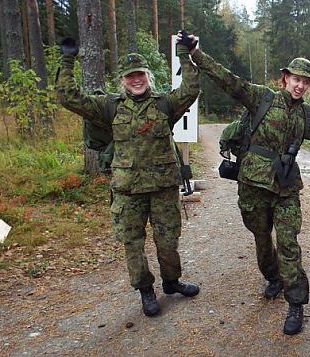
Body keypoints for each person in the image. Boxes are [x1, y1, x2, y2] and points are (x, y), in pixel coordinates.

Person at [184, 34, 310, 335]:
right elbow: (227, 80)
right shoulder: (262, 98)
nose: (301, 85)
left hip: (286, 186)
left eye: (306, 82)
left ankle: (296, 304)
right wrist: (197, 54)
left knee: (289, 242)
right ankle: (273, 277)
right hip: (253, 185)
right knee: (261, 237)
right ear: (285, 78)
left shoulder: (305, 112)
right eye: (296, 79)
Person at [55, 34, 202, 317]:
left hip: (162, 188)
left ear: (147, 76)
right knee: (132, 243)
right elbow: (67, 97)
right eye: (130, 76)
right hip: (128, 190)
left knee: (168, 241)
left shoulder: (164, 104)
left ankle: (171, 282)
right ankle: (146, 291)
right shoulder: (109, 107)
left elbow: (191, 88)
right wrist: (67, 59)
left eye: (140, 75)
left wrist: (184, 52)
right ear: (122, 79)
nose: (136, 80)